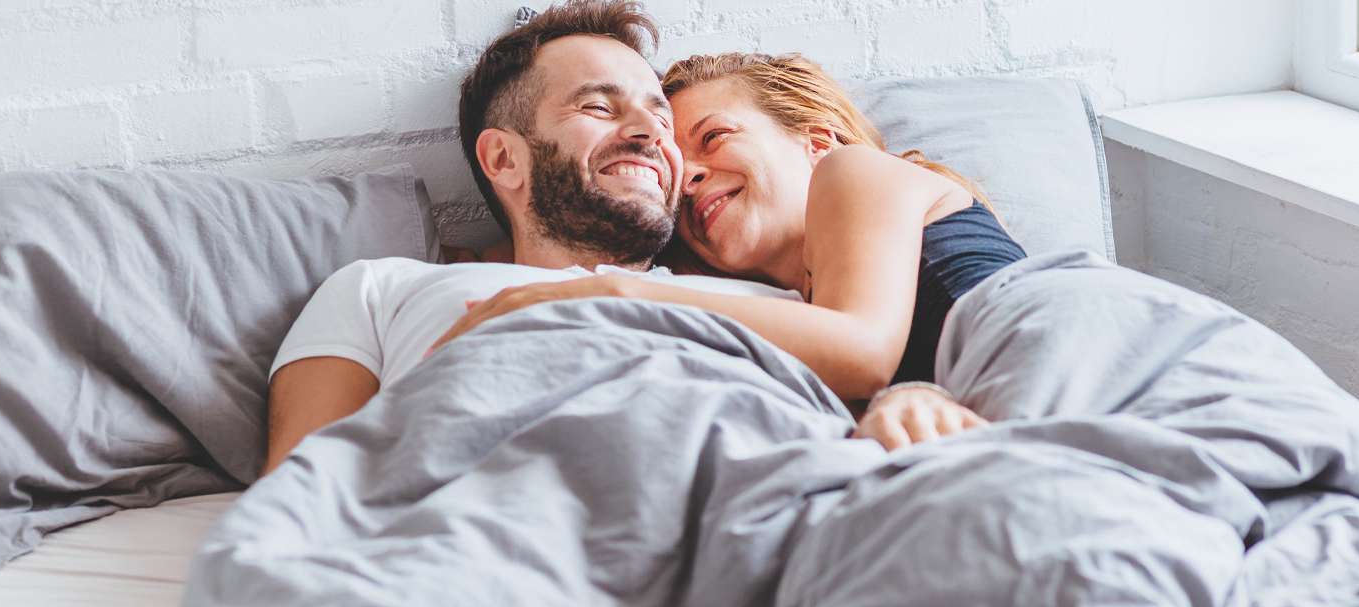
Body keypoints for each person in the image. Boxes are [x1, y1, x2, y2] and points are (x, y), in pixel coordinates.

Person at [260, 0, 792, 476]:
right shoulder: (380, 290)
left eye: (660, 116)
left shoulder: (780, 306)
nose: (652, 132)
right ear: (504, 159)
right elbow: (298, 497)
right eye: (599, 108)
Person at [428, 51, 1019, 449]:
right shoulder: (787, 310)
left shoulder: (852, 172)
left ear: (815, 140)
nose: (689, 179)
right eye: (680, 172)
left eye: (714, 137)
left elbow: (862, 350)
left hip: (1056, 329)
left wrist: (606, 291)